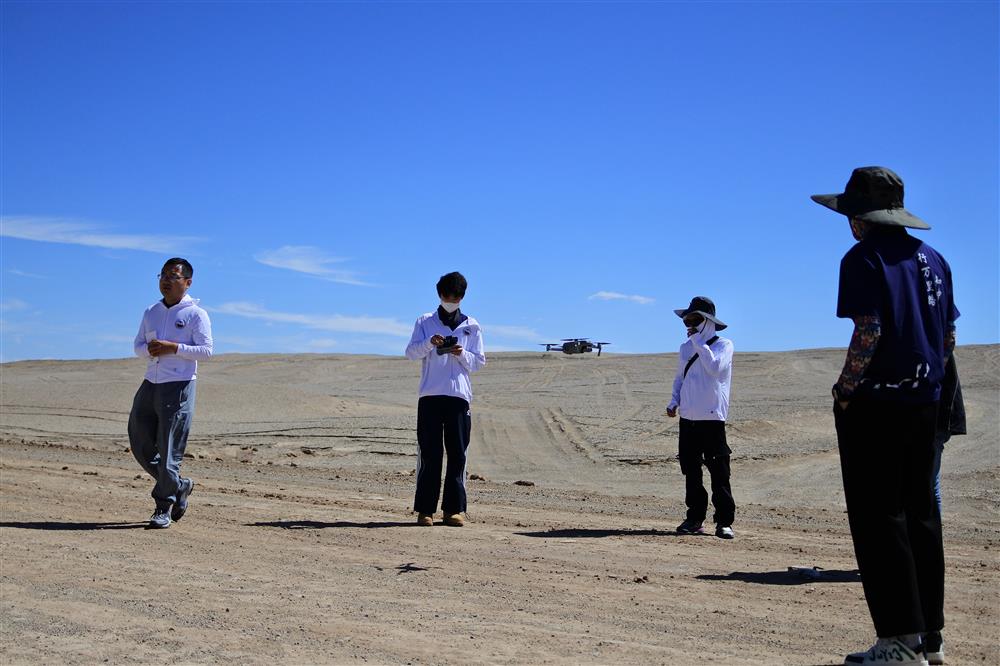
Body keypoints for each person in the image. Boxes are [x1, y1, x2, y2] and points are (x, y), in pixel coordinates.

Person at [812, 166, 958, 666]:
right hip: (925, 400)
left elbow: (868, 329)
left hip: (877, 404)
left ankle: (898, 639)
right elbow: (947, 337)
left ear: (860, 216)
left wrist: (846, 388)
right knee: (921, 514)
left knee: (880, 519)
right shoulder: (934, 260)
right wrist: (930, 383)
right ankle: (930, 638)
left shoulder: (861, 259)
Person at [128, 258, 213, 529]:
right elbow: (138, 346)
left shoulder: (196, 314)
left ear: (187, 282)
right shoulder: (151, 311)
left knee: (168, 450)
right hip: (150, 383)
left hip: (178, 384)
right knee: (139, 441)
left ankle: (163, 506)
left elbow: (206, 351)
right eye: (163, 275)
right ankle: (179, 484)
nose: (166, 280)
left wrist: (173, 348)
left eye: (173, 276)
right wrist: (149, 350)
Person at [404, 271, 486, 527]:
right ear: (440, 295)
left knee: (458, 455)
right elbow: (410, 353)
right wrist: (430, 343)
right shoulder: (425, 321)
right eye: (448, 295)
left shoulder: (472, 326)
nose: (452, 299)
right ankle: (425, 510)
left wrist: (461, 353)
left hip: (459, 397)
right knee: (430, 454)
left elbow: (478, 363)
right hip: (430, 395)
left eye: (457, 296)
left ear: (463, 297)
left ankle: (453, 510)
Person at [666, 296, 736, 540]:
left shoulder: (723, 345)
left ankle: (724, 522)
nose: (689, 325)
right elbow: (680, 377)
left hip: (712, 418)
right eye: (687, 320)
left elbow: (714, 368)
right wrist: (674, 400)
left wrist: (698, 342)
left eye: (694, 319)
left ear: (707, 322)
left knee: (719, 471)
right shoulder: (685, 348)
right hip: (688, 418)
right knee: (691, 470)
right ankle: (695, 518)